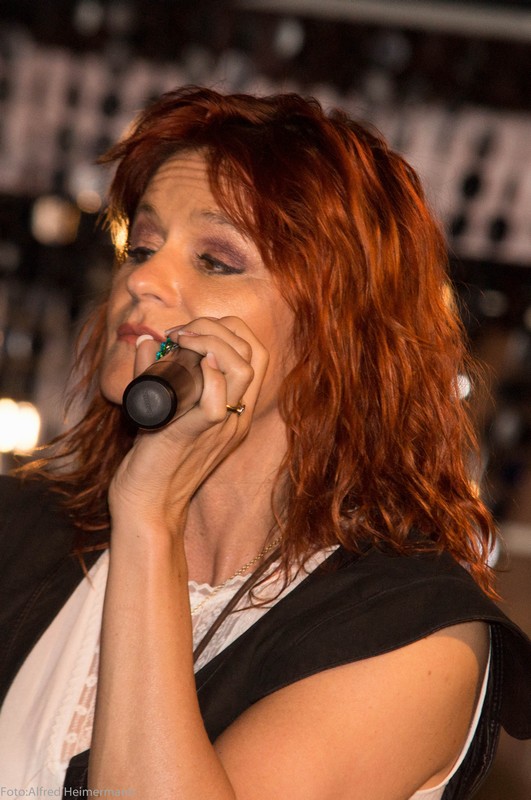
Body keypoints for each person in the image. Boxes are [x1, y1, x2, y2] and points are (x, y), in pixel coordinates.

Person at [0, 86, 530, 800]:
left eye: (217, 260)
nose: (142, 278)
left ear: (335, 331)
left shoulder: (410, 632)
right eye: (142, 245)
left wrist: (150, 517)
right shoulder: (21, 525)